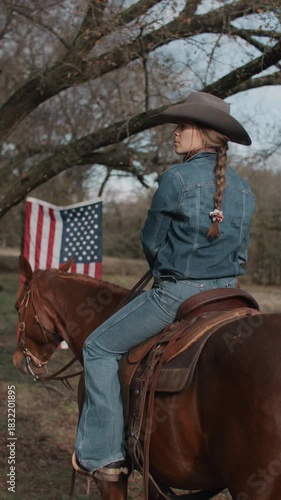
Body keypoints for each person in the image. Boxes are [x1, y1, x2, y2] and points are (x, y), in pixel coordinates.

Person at [72, 91, 256, 481]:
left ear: (204, 133)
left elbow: (152, 241)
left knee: (98, 347)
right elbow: (240, 254)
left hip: (178, 294)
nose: (174, 133)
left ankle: (104, 455)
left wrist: (166, 270)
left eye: (182, 125)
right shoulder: (246, 191)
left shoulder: (175, 178)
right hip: (233, 296)